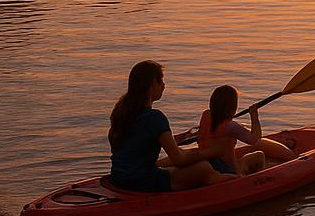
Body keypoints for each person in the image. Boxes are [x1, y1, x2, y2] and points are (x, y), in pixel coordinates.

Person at [108, 60, 231, 192]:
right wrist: (214, 151)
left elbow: (139, 142)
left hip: (118, 178)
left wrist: (183, 137)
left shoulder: (121, 113)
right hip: (142, 182)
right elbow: (179, 160)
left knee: (181, 164)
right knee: (203, 167)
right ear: (151, 85)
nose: (164, 85)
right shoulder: (155, 117)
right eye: (160, 81)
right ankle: (231, 179)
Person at [196, 85, 294, 176]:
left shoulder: (206, 115)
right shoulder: (230, 127)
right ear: (233, 106)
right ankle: (259, 180)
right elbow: (255, 140)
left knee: (248, 159)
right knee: (259, 155)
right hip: (227, 170)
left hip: (209, 163)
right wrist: (254, 116)